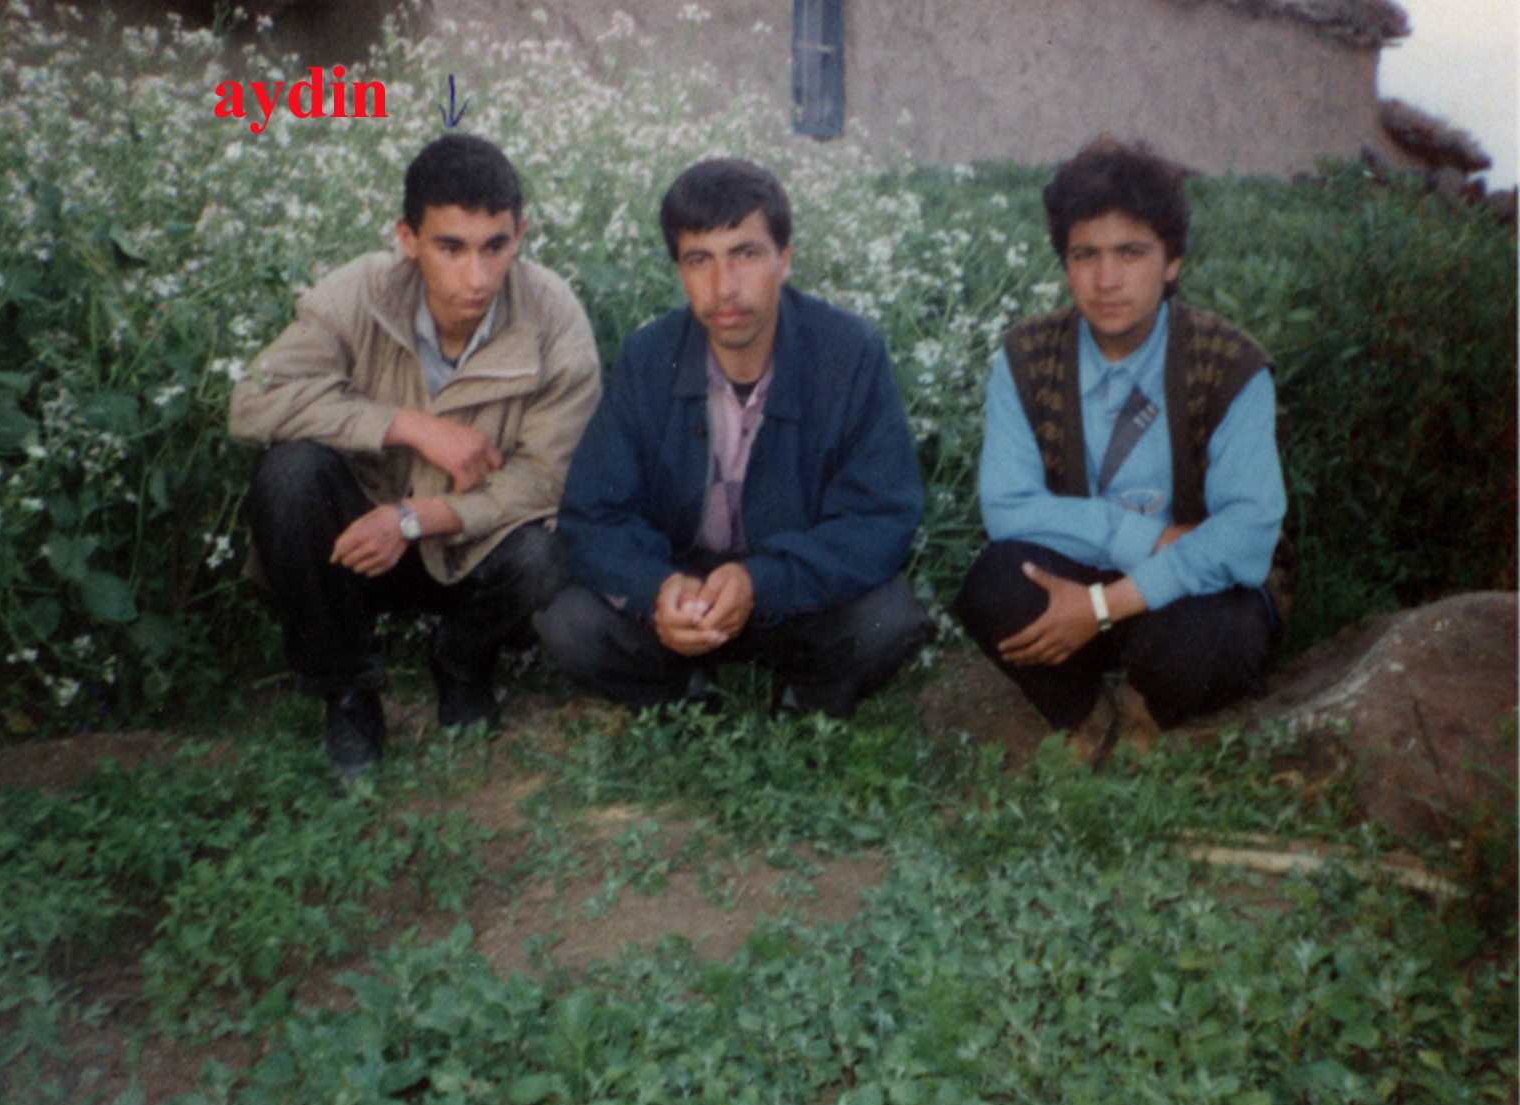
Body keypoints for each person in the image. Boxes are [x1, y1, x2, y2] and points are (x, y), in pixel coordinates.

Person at [231, 133, 600, 777]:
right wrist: (407, 426)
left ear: (520, 234)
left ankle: (462, 661)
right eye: (451, 248)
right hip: (360, 544)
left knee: (548, 553)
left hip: (468, 544)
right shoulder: (360, 290)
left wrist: (413, 519)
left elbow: (550, 476)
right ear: (408, 238)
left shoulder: (553, 314)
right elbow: (252, 402)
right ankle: (347, 692)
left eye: (495, 246)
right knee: (289, 476)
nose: (477, 277)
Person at [534, 158, 930, 717]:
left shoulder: (849, 351)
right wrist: (656, 589)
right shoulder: (650, 356)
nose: (724, 287)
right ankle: (680, 695)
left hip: (794, 593)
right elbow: (592, 515)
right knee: (570, 623)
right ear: (679, 271)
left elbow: (881, 517)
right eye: (700, 260)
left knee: (888, 618)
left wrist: (759, 581)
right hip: (683, 592)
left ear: (784, 259)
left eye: (745, 255)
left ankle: (805, 700)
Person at [952, 138, 1287, 761]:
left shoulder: (1231, 364)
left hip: (1188, 591)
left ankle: (1150, 708)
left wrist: (1103, 606)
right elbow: (1007, 508)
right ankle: (1084, 712)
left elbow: (1247, 535)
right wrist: (1145, 539)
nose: (1107, 280)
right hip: (1092, 573)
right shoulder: (1025, 356)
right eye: (1086, 255)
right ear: (1066, 265)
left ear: (1171, 263)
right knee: (994, 584)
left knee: (1215, 636)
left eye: (1131, 252)